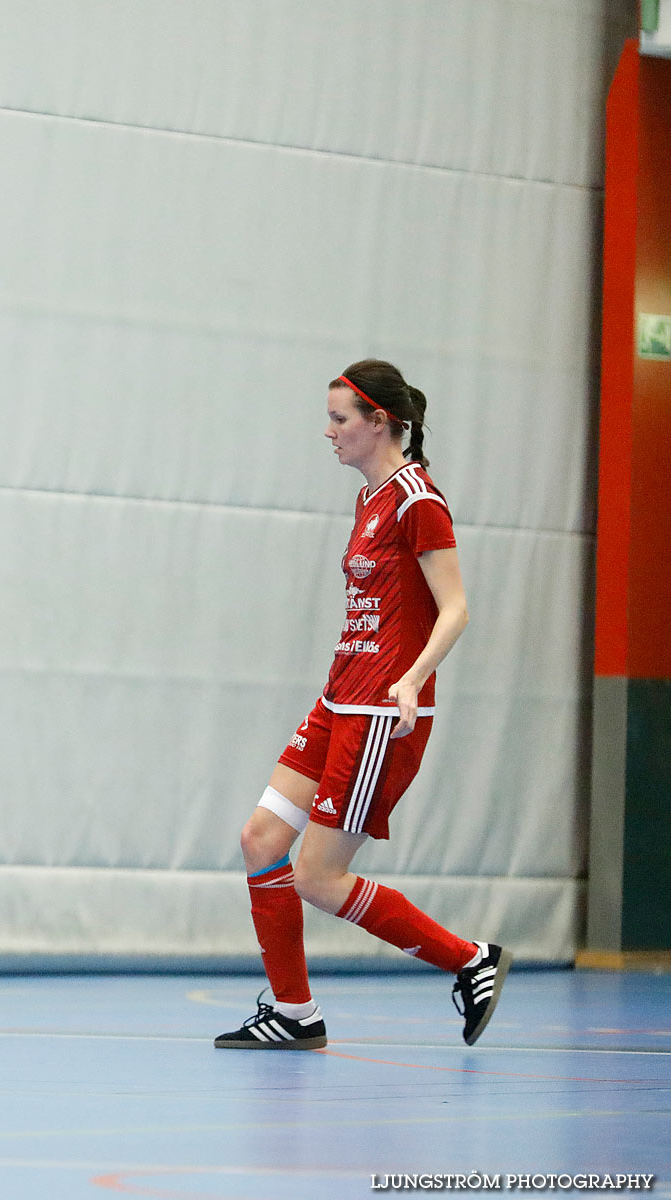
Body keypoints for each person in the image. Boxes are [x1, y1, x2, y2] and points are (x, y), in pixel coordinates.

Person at [215, 360, 510, 1051]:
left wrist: (412, 679)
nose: (329, 432)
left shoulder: (417, 500)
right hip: (339, 700)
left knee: (316, 876)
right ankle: (295, 1013)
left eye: (340, 419)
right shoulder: (371, 497)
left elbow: (457, 608)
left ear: (380, 422)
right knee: (260, 840)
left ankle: (469, 959)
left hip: (381, 714)